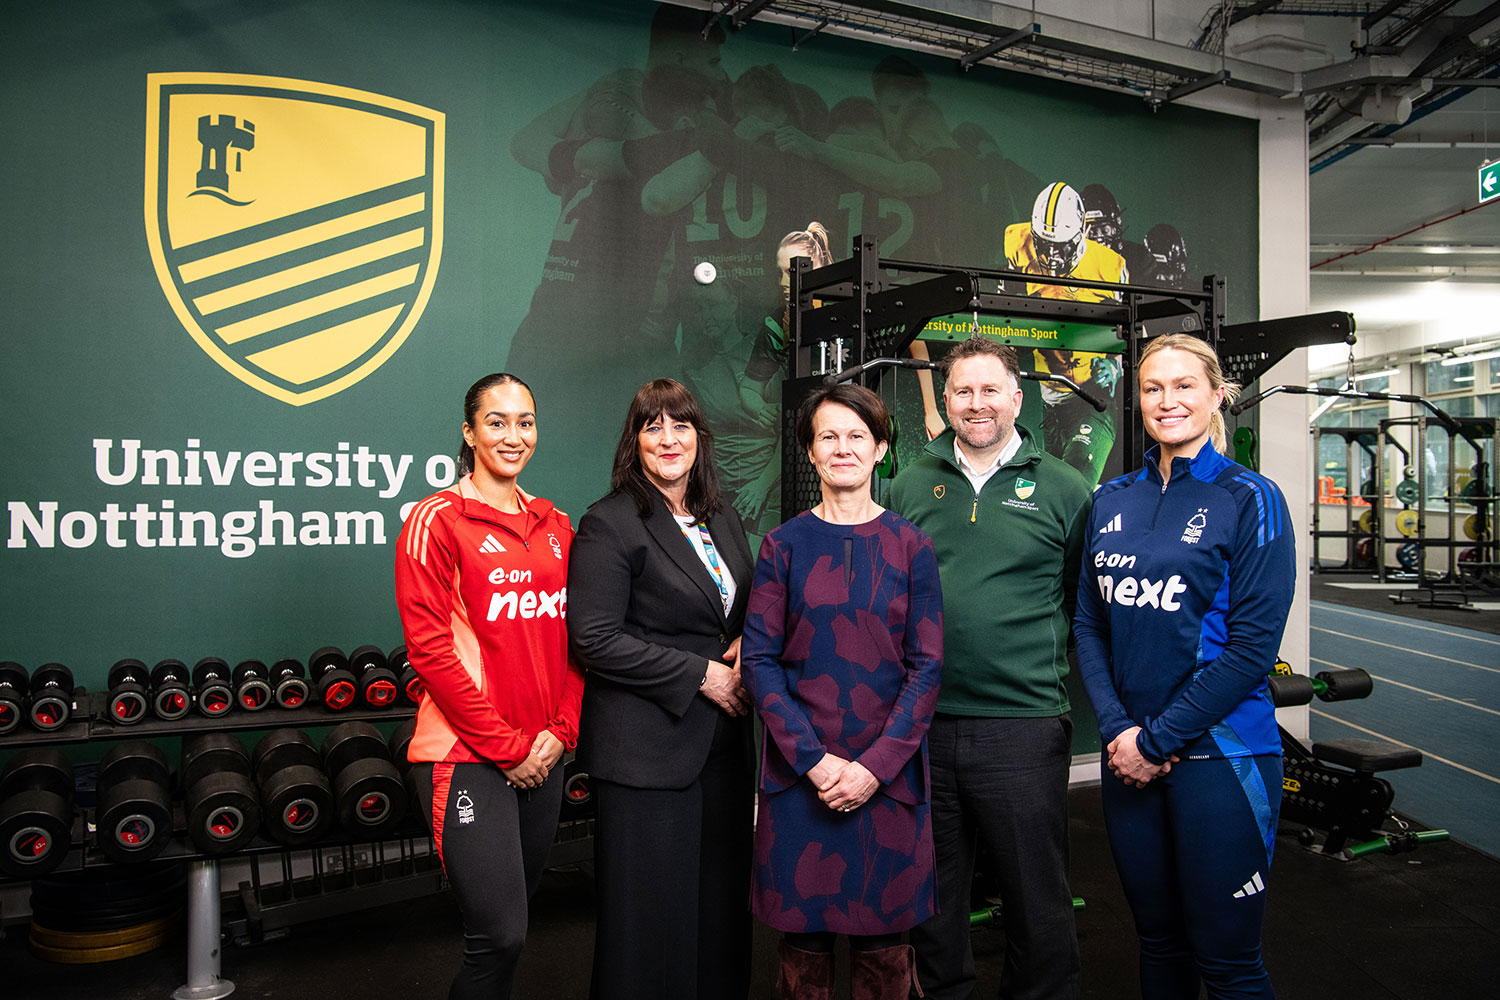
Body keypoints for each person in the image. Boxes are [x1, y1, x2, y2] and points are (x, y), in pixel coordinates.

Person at [1072, 334, 1296, 999]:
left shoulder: (1251, 498)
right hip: (1129, 759)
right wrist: (1119, 732)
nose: (1167, 401)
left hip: (1221, 759)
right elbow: (1090, 624)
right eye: (1152, 388)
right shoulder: (1111, 498)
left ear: (1217, 394)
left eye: (1184, 386)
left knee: (1228, 964)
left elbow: (1253, 649)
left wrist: (1157, 740)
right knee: (1159, 945)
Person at [887, 335, 1093, 1000]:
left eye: (989, 390)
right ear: (944, 401)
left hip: (1024, 724)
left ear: (1016, 397)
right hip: (926, 725)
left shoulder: (1065, 489)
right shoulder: (910, 487)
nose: (976, 404)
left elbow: (1076, 595)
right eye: (962, 392)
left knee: (1036, 896)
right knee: (934, 899)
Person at [741, 382, 943, 1000]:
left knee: (885, 949)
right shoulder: (782, 546)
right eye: (827, 436)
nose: (842, 448)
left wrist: (873, 769)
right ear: (809, 451)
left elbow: (927, 667)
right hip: (802, 780)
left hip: (888, 780)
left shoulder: (912, 547)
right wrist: (815, 762)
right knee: (803, 951)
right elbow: (760, 662)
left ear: (881, 448)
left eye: (857, 436)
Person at [393, 372, 583, 1000]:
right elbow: (430, 653)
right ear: (469, 432)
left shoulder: (556, 526)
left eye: (524, 421)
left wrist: (559, 733)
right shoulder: (435, 520)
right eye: (496, 422)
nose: (513, 435)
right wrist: (508, 748)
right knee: (497, 936)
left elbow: (577, 645)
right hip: (467, 758)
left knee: (515, 928)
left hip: (544, 756)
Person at [567, 378, 756, 1000]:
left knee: (720, 911)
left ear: (701, 438)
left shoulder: (721, 515)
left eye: (681, 426)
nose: (669, 439)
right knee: (648, 924)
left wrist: (748, 641)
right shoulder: (610, 523)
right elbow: (593, 639)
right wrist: (700, 674)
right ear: (635, 441)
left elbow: (738, 610)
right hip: (647, 753)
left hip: (723, 750)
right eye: (654, 426)